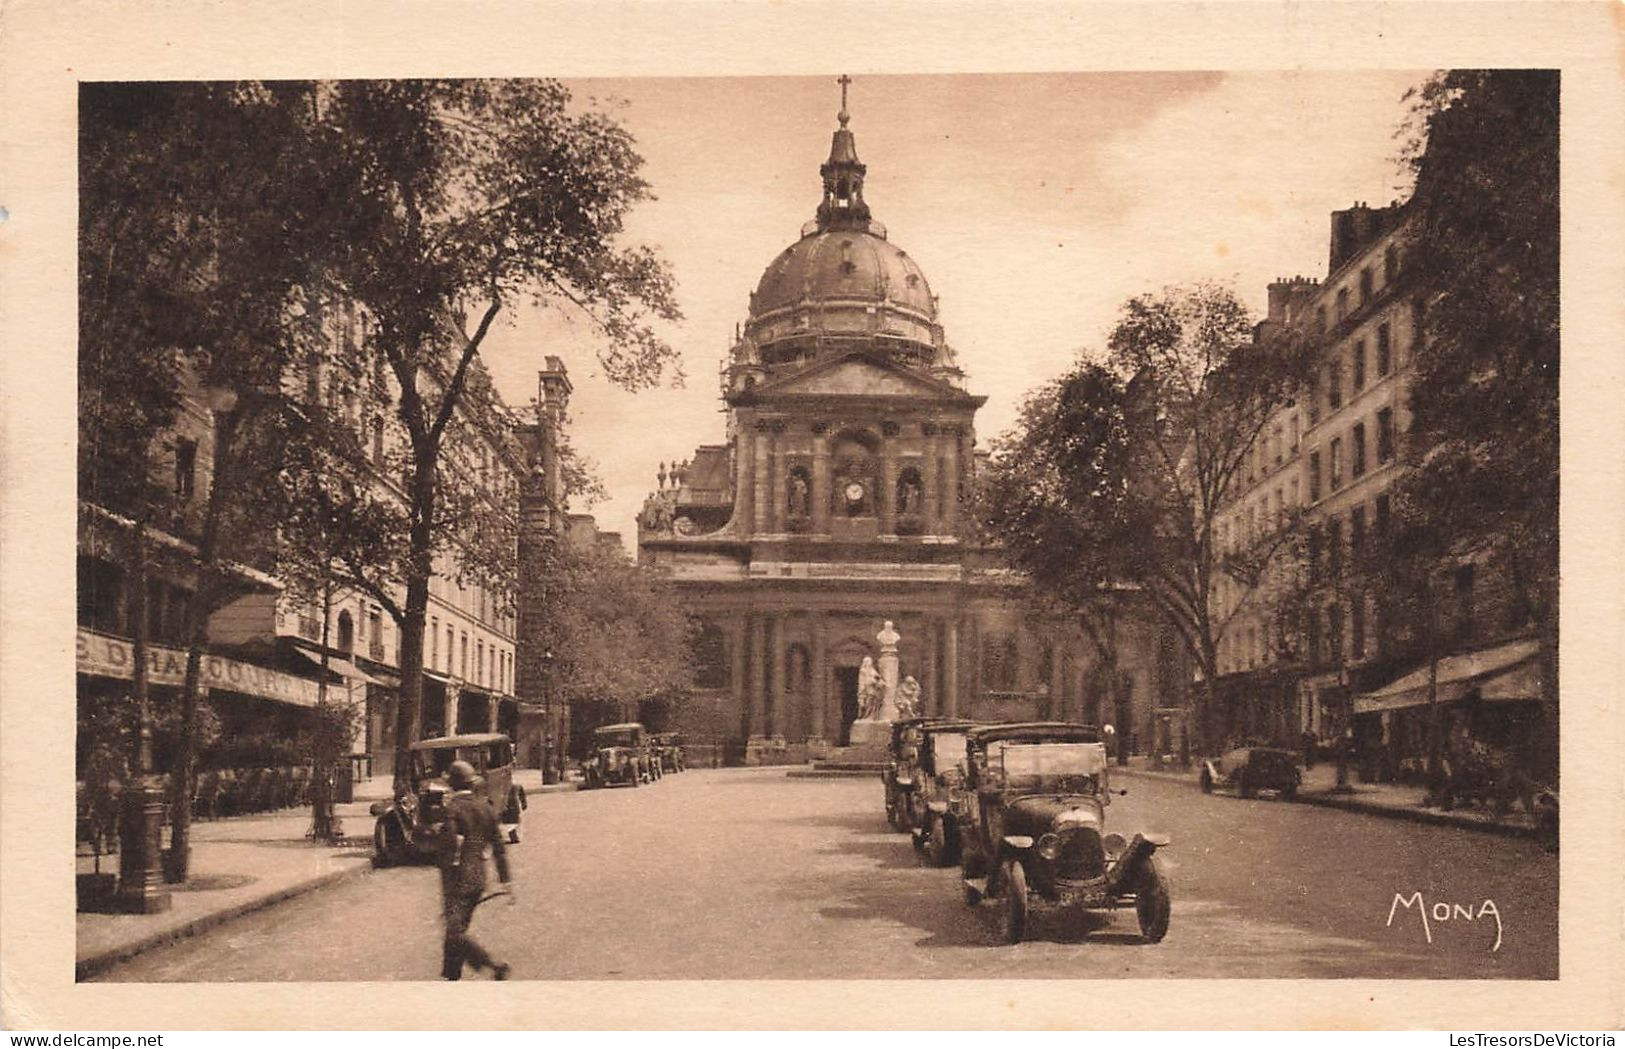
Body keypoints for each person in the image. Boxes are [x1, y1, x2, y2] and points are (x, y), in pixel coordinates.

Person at [438, 760, 515, 980]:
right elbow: (499, 848)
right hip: (478, 878)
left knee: (455, 931)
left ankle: (493, 965)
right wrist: (506, 880)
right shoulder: (486, 807)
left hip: (457, 879)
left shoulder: (452, 809)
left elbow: (450, 844)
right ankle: (451, 976)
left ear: (452, 785)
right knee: (456, 930)